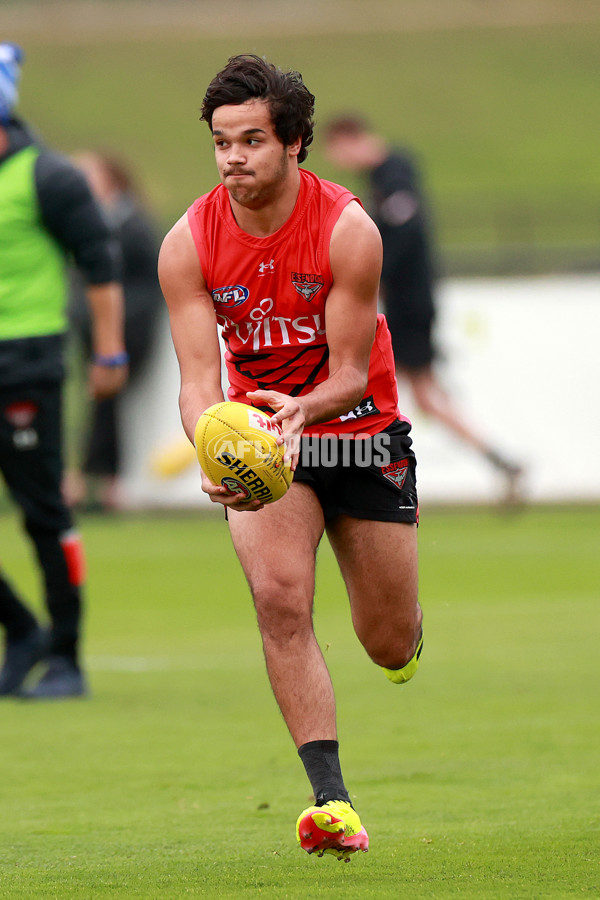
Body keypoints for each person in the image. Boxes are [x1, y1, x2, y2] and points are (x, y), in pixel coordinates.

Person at [159, 54, 423, 861]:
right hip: (267, 446)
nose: (233, 157)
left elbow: (350, 372)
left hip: (357, 426)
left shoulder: (349, 229)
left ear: (297, 144)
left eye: (251, 141)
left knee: (385, 641)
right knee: (279, 598)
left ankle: (406, 640)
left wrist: (304, 410)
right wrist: (212, 443)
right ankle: (331, 802)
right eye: (221, 143)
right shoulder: (188, 242)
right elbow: (200, 380)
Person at [0, 43, 127, 698]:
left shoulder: (48, 176)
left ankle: (67, 654)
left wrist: (108, 350)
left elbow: (100, 262)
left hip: (25, 365)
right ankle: (22, 628)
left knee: (42, 511)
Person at [322, 115, 524, 503]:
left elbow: (407, 230)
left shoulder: (392, 171)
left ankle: (355, 469)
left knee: (357, 382)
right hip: (410, 302)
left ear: (350, 140)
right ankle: (499, 460)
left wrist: (375, 275)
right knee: (424, 395)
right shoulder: (387, 173)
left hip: (409, 305)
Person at [66, 151, 162, 511]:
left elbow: (145, 286)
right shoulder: (92, 222)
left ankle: (104, 483)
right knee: (100, 404)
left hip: (124, 334)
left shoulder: (131, 225)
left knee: (109, 403)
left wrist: (118, 328)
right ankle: (96, 481)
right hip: (93, 331)